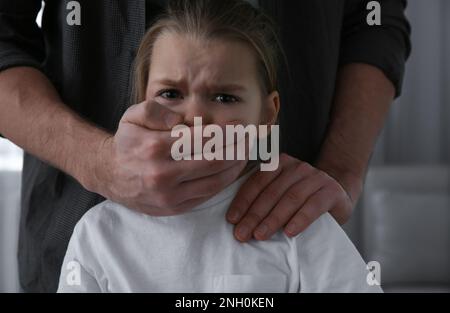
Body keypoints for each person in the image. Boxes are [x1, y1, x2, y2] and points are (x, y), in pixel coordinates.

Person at [0, 0, 410, 292]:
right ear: (140, 97)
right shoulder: (97, 234)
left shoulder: (301, 231)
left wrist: (340, 169)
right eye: (171, 94)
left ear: (269, 113)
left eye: (225, 97)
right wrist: (96, 161)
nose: (195, 119)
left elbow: (375, 22)